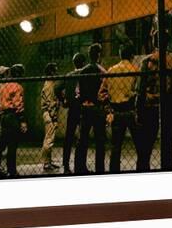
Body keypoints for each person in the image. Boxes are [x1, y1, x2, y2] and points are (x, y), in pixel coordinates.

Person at [137, 51, 172, 171]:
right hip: (168, 107)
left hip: (150, 107)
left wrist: (138, 109)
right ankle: (168, 171)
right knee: (168, 143)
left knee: (145, 145)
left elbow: (141, 88)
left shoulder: (146, 61)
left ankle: (143, 172)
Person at [98, 43, 142, 172]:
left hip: (116, 110)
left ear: (120, 55)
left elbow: (101, 94)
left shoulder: (111, 70)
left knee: (115, 147)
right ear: (132, 56)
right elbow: (139, 91)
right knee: (139, 144)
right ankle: (142, 170)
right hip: (130, 109)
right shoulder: (134, 70)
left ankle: (114, 172)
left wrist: (110, 99)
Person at [75, 44, 107, 174]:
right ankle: (100, 169)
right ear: (98, 55)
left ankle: (80, 167)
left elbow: (79, 91)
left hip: (85, 107)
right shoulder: (102, 71)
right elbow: (105, 91)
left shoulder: (83, 70)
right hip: (97, 107)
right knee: (100, 140)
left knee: (82, 140)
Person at [0, 64, 27, 178]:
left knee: (2, 143)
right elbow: (18, 104)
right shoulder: (18, 86)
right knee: (12, 145)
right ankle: (12, 170)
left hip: (4, 116)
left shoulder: (4, 86)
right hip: (13, 116)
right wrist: (22, 120)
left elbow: (0, 102)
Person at [55, 53, 87, 174]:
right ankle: (81, 164)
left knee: (69, 136)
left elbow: (57, 88)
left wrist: (63, 100)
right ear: (83, 63)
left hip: (72, 108)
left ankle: (66, 164)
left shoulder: (69, 75)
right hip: (83, 107)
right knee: (83, 136)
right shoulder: (85, 74)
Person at [41, 62, 60, 171]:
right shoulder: (50, 84)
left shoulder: (50, 83)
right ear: (52, 72)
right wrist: (54, 118)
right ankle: (46, 163)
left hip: (48, 113)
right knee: (49, 139)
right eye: (55, 70)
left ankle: (48, 162)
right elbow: (50, 102)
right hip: (49, 114)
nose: (57, 72)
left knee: (49, 138)